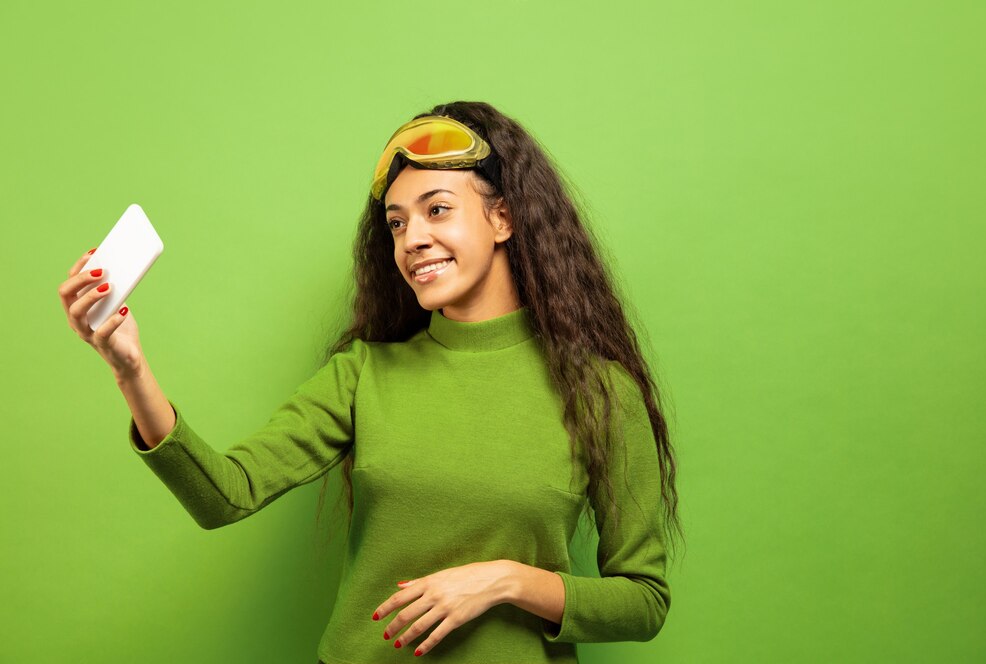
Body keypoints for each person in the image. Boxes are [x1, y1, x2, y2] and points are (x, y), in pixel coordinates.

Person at [58, 101, 684, 664]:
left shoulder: (599, 392)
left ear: (502, 219)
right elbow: (225, 495)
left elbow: (643, 600)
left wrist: (505, 580)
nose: (413, 239)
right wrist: (130, 369)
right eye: (396, 223)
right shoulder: (365, 373)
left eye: (437, 209)